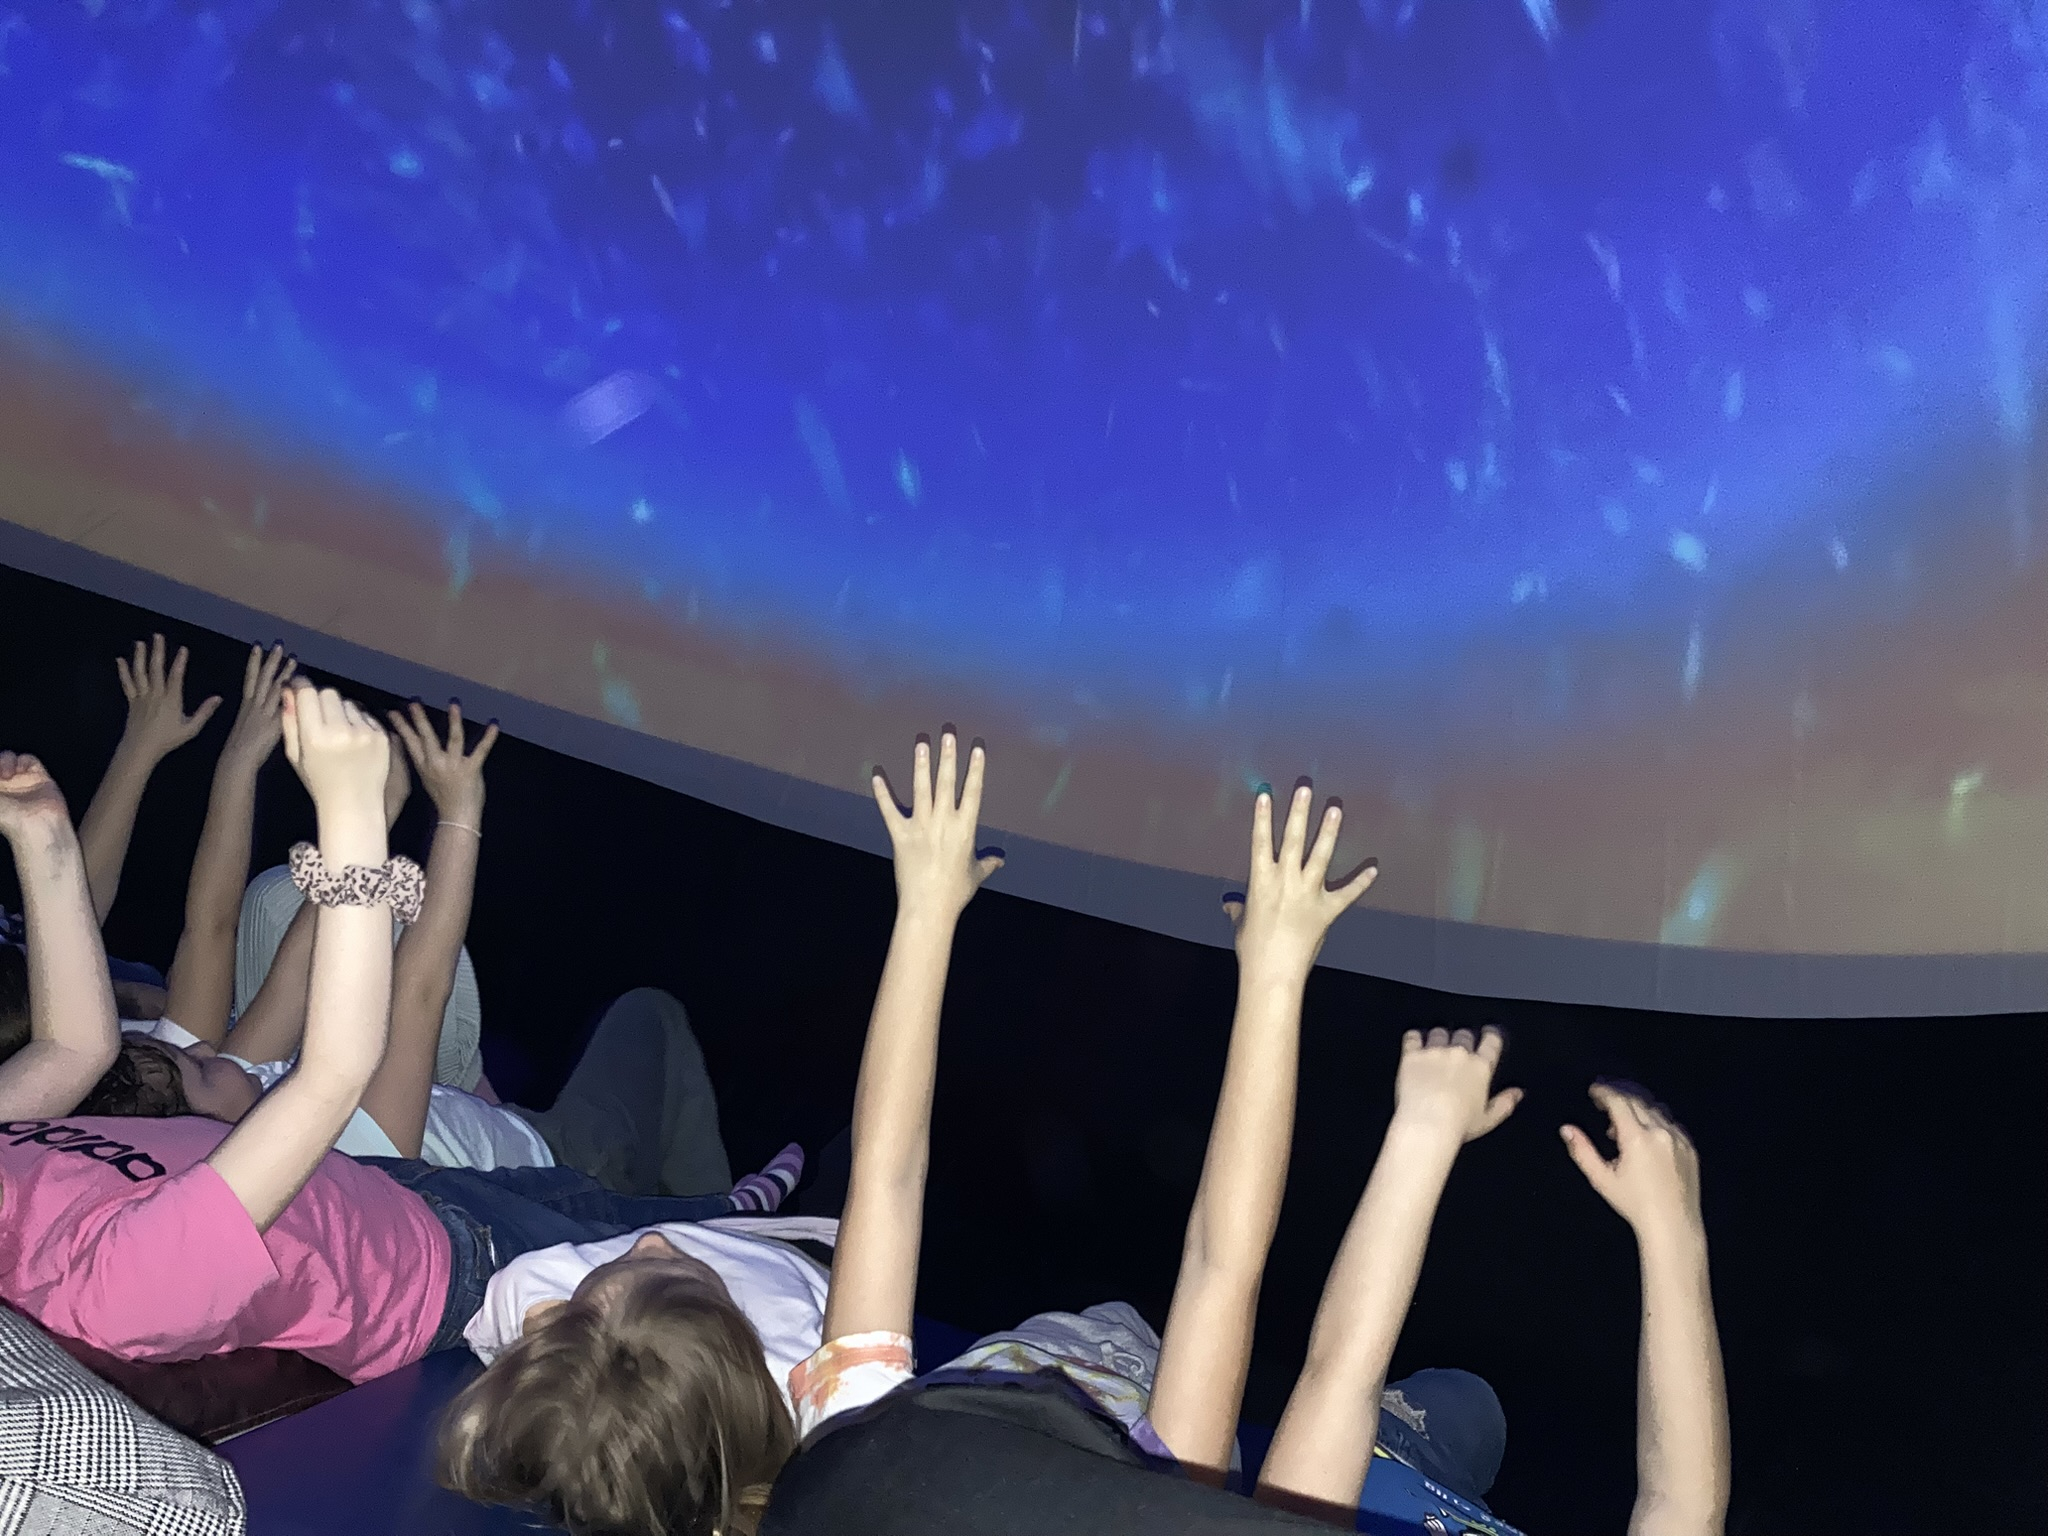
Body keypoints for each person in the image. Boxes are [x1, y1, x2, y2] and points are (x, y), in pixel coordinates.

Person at [0, 684, 752, 1385]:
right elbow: (354, 1054)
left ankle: (724, 1203)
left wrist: (41, 832)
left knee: (657, 1219)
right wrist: (381, 813)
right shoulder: (127, 1274)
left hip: (434, 1174)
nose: (205, 1046)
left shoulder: (187, 1103)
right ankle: (724, 1202)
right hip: (493, 1202)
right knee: (656, 1044)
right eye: (195, 1068)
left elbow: (77, 1047)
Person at [100, 696, 770, 1201]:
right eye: (198, 1070)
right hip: (568, 1167)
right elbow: (422, 994)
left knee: (285, 911)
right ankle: (714, 1219)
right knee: (652, 1015)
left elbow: (288, 973)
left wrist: (371, 816)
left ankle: (710, 1214)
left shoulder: (237, 1088)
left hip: (489, 1124)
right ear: (203, 1139)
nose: (207, 1047)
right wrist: (460, 810)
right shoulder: (344, 1155)